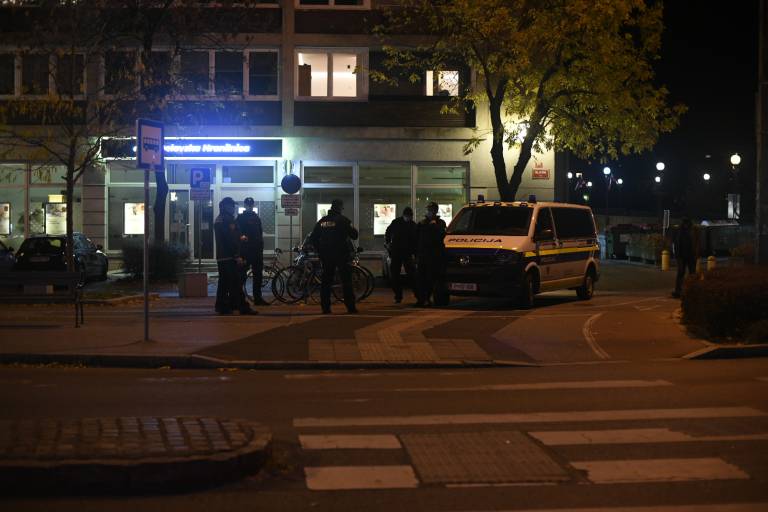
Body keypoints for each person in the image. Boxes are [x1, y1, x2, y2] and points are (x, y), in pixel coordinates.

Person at [309, 199, 358, 314]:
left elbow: (313, 238)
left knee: (326, 281)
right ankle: (350, 307)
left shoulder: (322, 221)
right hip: (342, 255)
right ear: (340, 207)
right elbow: (354, 235)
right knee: (346, 281)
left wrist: (320, 251)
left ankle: (325, 308)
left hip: (326, 256)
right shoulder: (343, 220)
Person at [214, 197, 256, 315]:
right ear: (226, 207)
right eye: (232, 206)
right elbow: (229, 239)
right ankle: (242, 307)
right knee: (235, 283)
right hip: (229, 257)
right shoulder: (228, 220)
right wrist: (236, 255)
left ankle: (223, 306)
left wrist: (240, 238)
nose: (233, 208)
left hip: (222, 257)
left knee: (224, 283)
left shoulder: (220, 219)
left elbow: (228, 238)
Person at [236, 197, 268, 306]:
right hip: (246, 251)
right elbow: (238, 234)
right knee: (241, 276)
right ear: (245, 205)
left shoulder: (256, 217)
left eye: (251, 204)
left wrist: (261, 247)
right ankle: (238, 299)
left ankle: (258, 298)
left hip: (257, 252)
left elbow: (260, 233)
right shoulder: (240, 218)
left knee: (258, 276)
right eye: (248, 204)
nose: (250, 206)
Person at [415, 202, 447, 306]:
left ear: (436, 211)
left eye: (432, 210)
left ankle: (428, 298)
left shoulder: (440, 223)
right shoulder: (422, 223)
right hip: (423, 255)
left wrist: (434, 225)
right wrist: (416, 254)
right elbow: (416, 239)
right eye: (429, 210)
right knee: (420, 279)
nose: (430, 212)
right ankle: (421, 299)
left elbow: (442, 236)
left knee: (431, 279)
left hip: (434, 256)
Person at [385, 206, 417, 303]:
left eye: (410, 216)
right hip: (397, 252)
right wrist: (388, 243)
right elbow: (388, 232)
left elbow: (416, 240)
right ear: (404, 215)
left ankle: (416, 294)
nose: (409, 218)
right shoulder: (398, 222)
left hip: (405, 252)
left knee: (411, 274)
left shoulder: (411, 225)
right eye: (408, 216)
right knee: (395, 275)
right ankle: (398, 295)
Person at [672, 217, 698, 298]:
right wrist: (676, 254)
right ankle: (678, 291)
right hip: (681, 255)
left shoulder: (694, 230)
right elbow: (675, 242)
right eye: (684, 222)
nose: (685, 224)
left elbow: (697, 242)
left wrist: (696, 254)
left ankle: (692, 290)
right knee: (681, 273)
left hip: (691, 255)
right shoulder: (678, 230)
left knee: (692, 273)